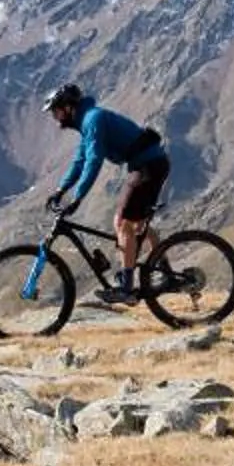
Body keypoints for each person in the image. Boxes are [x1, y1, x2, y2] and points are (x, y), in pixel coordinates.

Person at [44, 83, 170, 302]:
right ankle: (166, 272)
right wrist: (60, 189)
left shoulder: (93, 120)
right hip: (146, 164)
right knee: (135, 224)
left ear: (68, 107)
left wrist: (78, 197)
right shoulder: (87, 122)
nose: (55, 117)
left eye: (55, 110)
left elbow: (93, 161)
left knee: (123, 223)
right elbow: (79, 161)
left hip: (148, 166)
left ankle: (127, 289)